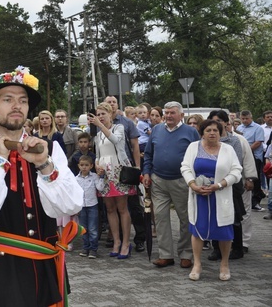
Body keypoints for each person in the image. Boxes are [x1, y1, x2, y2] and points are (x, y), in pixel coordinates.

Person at [0, 66, 83, 306]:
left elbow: (71, 204)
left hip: (46, 271)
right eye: (8, 99)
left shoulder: (49, 149)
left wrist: (44, 165)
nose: (17, 106)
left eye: (22, 101)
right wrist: (0, 161)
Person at [180, 119, 242, 281]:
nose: (212, 133)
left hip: (220, 196)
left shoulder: (228, 149)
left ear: (220, 132)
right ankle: (197, 264)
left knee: (224, 232)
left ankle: (224, 264)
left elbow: (236, 171)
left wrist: (219, 185)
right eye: (208, 130)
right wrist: (193, 185)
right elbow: (185, 167)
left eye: (215, 130)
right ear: (202, 133)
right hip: (199, 195)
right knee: (198, 230)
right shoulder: (193, 147)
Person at [143, 101, 200, 268]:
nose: (168, 115)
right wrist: (146, 172)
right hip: (158, 180)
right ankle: (165, 254)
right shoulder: (157, 130)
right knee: (160, 217)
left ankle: (186, 254)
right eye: (166, 112)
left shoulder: (191, 132)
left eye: (172, 113)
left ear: (181, 115)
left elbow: (198, 156)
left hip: (181, 181)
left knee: (185, 218)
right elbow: (148, 154)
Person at [88, 102, 136, 259]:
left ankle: (126, 243)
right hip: (104, 172)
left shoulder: (118, 128)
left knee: (122, 208)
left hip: (118, 169)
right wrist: (96, 166)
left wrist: (101, 126)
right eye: (98, 114)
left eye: (103, 114)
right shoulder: (98, 135)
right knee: (109, 209)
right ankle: (116, 241)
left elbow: (116, 141)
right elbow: (97, 154)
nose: (100, 116)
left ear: (110, 115)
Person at [207, 110, 256, 260]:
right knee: (214, 217)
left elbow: (237, 163)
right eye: (213, 121)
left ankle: (237, 247)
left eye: (219, 121)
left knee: (233, 217)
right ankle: (217, 248)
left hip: (231, 185)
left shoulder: (235, 141)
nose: (216, 125)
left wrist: (249, 178)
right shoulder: (205, 141)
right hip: (212, 184)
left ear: (226, 123)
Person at [236, 110, 266, 211]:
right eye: (242, 119)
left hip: (254, 156)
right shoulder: (239, 128)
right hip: (240, 156)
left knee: (254, 179)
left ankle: (256, 201)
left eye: (246, 119)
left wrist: (246, 150)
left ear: (251, 118)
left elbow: (258, 142)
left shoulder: (257, 128)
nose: (244, 121)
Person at [76, 155, 105, 259]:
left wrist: (101, 177)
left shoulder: (94, 177)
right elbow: (74, 193)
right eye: (82, 165)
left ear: (91, 166)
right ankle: (85, 247)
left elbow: (100, 188)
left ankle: (93, 249)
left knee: (93, 228)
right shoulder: (76, 179)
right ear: (78, 166)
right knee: (83, 228)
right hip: (82, 206)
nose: (84, 167)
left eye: (87, 165)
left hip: (92, 205)